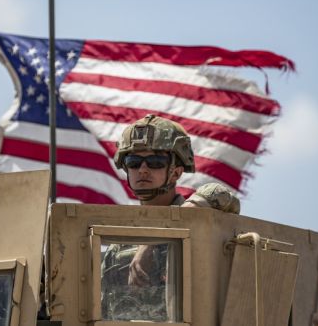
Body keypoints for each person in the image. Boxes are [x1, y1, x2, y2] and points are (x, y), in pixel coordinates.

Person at [102, 114, 240, 321]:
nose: (143, 169)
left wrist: (152, 240)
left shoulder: (197, 218)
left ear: (175, 173)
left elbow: (220, 195)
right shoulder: (118, 243)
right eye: (133, 162)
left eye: (156, 162)